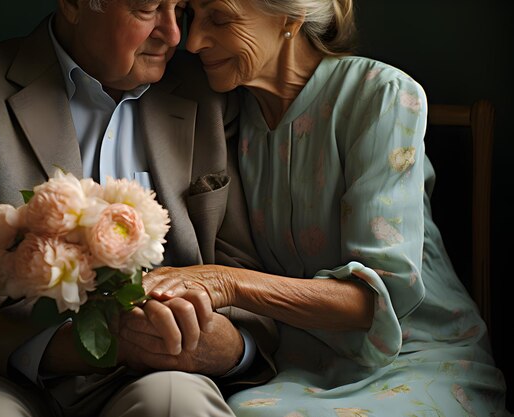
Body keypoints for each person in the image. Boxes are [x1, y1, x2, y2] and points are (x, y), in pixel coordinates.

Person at [0, 0, 279, 416]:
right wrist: (72, 345)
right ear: (74, 4)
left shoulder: (212, 94)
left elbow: (242, 261)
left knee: (176, 407)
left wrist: (227, 343)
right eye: (148, 10)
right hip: (4, 367)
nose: (174, 34)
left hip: (165, 371)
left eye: (179, 9)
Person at [140, 0, 513, 415]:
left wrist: (224, 282)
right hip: (301, 365)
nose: (191, 42)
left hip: (418, 356)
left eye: (220, 18)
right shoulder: (229, 112)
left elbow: (372, 300)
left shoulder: (380, 95)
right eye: (193, 15)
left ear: (289, 18)